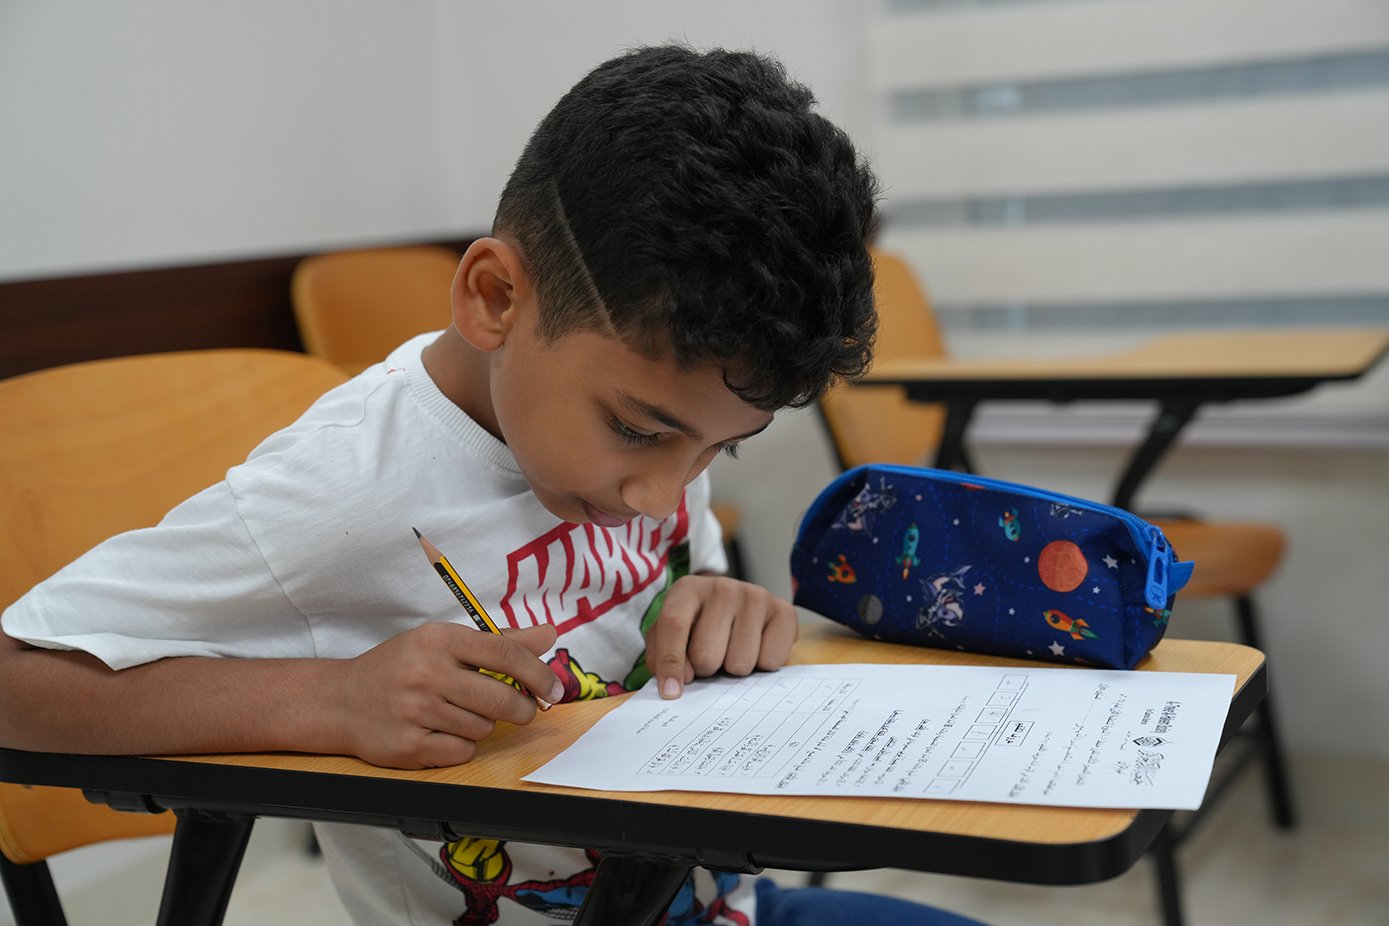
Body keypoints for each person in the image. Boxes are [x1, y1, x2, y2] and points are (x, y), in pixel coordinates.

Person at [0, 45, 984, 926]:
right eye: (638, 429)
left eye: (717, 452)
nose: (661, 494)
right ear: (495, 297)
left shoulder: (642, 452)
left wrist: (721, 607)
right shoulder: (341, 490)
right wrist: (330, 699)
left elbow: (677, 595)